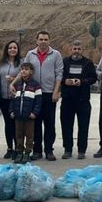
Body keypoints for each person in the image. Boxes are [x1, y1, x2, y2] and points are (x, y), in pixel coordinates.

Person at [20, 31, 63, 161]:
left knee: (49, 123)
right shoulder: (30, 54)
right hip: (34, 94)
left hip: (49, 94)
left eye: (45, 39)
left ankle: (49, 150)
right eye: (41, 39)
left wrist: (56, 91)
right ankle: (37, 150)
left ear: (49, 41)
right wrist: (14, 83)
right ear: (36, 41)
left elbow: (59, 74)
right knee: (36, 123)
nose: (43, 41)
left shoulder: (56, 55)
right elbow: (23, 71)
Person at [60, 41, 97, 159]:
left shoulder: (88, 63)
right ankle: (68, 149)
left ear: (82, 50)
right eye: (74, 48)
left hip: (83, 100)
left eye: (79, 49)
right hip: (67, 100)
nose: (76, 51)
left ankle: (81, 150)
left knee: (83, 126)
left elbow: (93, 78)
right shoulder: (65, 62)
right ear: (71, 49)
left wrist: (82, 82)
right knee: (66, 125)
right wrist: (65, 81)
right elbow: (58, 76)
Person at [10, 63, 42, 164]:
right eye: (22, 69)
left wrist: (34, 112)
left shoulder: (35, 85)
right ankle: (19, 152)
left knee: (29, 135)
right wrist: (11, 111)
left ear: (31, 72)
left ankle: (27, 152)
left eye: (26, 69)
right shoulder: (17, 84)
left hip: (29, 116)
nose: (23, 71)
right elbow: (13, 99)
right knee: (18, 134)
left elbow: (38, 101)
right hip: (18, 115)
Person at [0, 40, 22, 160]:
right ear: (7, 50)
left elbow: (25, 76)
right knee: (8, 124)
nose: (12, 50)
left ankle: (18, 148)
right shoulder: (1, 63)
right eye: (10, 47)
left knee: (16, 123)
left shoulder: (21, 62)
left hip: (16, 97)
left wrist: (14, 80)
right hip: (4, 97)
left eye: (15, 48)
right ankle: (9, 148)